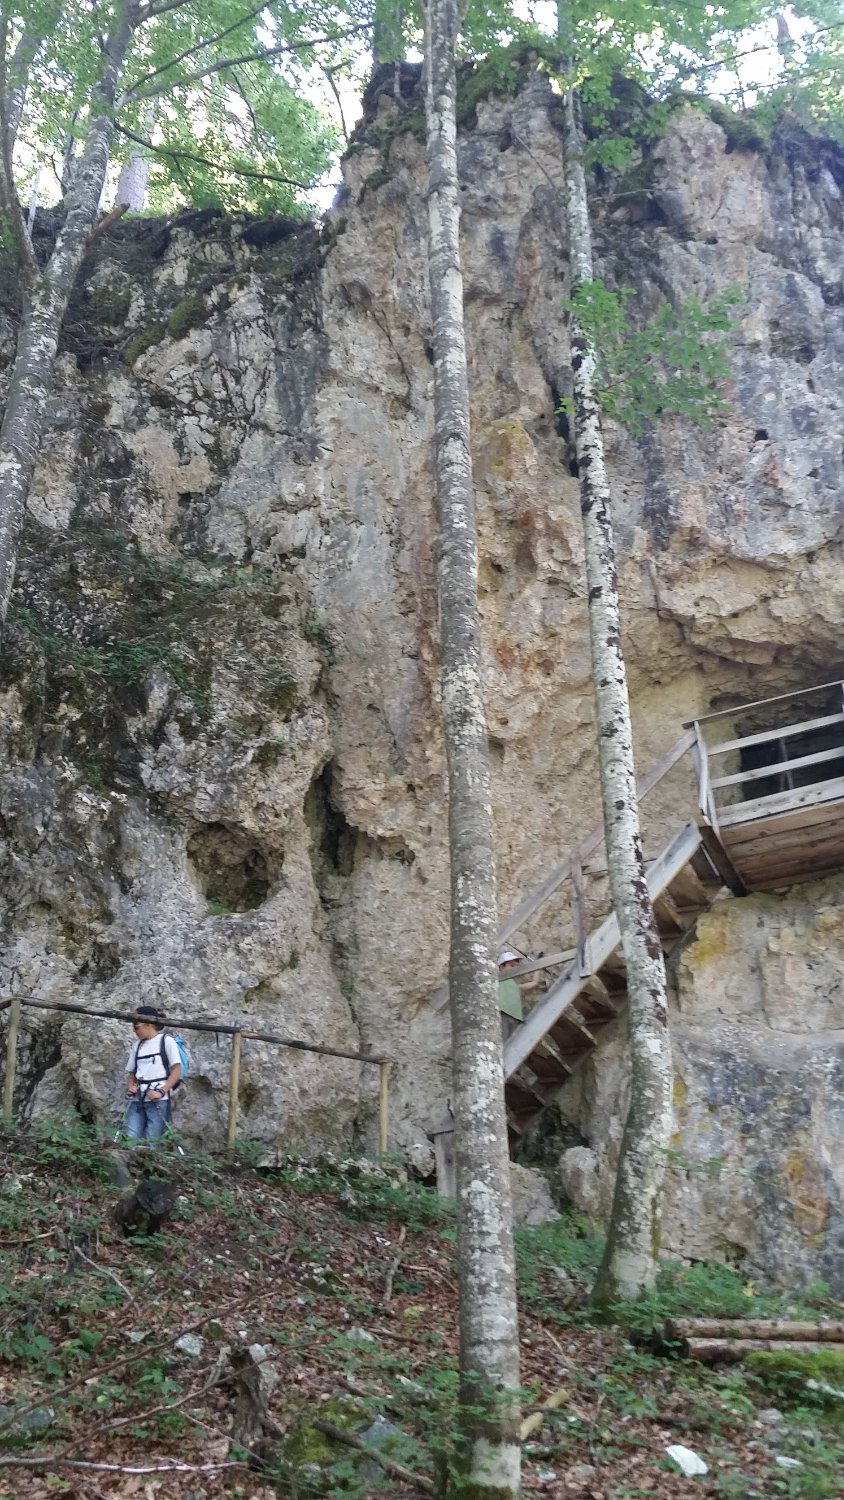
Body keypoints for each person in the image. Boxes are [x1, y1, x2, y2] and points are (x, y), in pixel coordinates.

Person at [124, 1005, 181, 1147]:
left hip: (158, 1100)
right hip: (138, 1098)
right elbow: (132, 1072)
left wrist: (161, 1091)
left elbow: (176, 1070)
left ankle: (149, 1167)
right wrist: (130, 1086)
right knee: (131, 1137)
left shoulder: (166, 1041)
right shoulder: (137, 1045)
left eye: (136, 1026)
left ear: (148, 1023)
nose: (134, 1030)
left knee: (152, 1142)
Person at [497, 948, 543, 1043]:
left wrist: (538, 965)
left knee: (513, 1045)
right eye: (511, 965)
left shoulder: (515, 985)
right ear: (501, 967)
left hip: (516, 1018)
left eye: (516, 966)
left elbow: (534, 983)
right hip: (503, 1015)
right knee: (503, 1044)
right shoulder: (497, 980)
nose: (515, 968)